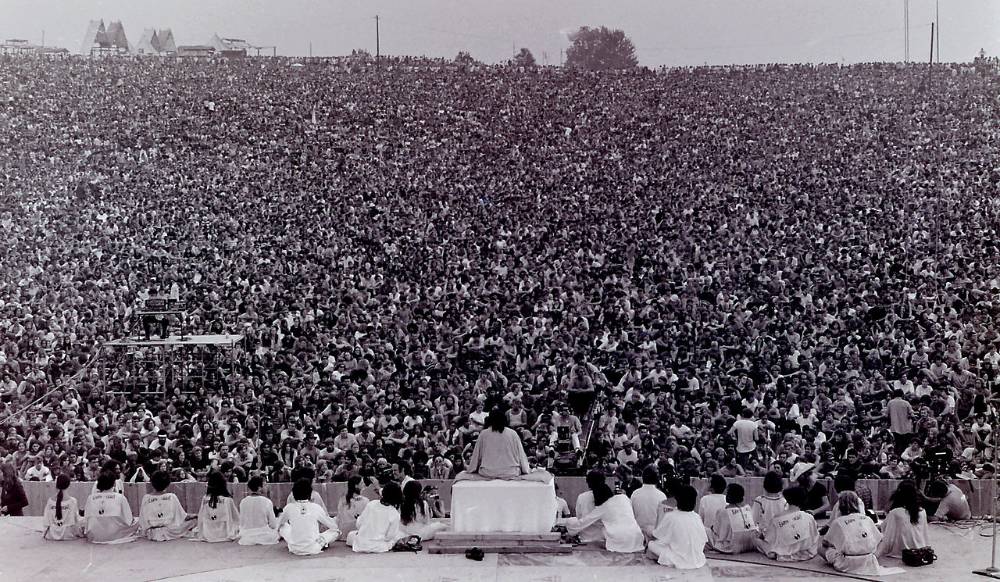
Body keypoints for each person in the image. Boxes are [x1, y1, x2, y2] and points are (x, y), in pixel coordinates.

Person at [457, 408, 551, 482]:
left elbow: (476, 457)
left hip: (488, 472)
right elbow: (521, 456)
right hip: (510, 472)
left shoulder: (484, 434)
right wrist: (526, 469)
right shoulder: (512, 433)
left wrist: (471, 469)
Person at [822, 492, 900, 575]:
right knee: (882, 539)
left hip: (846, 563)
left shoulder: (837, 522)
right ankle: (874, 558)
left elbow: (825, 543)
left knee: (821, 548)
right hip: (868, 560)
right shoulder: (867, 519)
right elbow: (880, 540)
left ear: (840, 506)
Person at [561, 482, 644, 553]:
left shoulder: (603, 507)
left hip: (619, 540)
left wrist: (568, 527)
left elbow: (583, 522)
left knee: (603, 529)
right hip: (637, 537)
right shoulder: (624, 497)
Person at [646, 485, 708, 569]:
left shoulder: (671, 516)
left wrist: (648, 532)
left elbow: (656, 535)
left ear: (677, 500)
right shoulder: (697, 517)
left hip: (678, 560)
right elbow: (703, 540)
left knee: (651, 544)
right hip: (698, 559)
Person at [754, 486, 819, 562]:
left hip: (783, 552)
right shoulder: (809, 517)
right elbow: (815, 536)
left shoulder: (777, 519)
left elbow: (769, 539)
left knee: (755, 538)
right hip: (806, 551)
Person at [277, 478, 340, 555]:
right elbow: (333, 526)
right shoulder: (316, 507)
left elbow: (280, 524)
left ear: (293, 493)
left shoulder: (289, 507)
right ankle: (321, 542)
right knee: (336, 531)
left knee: (282, 527)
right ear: (310, 493)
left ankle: (299, 541)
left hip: (294, 547)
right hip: (314, 547)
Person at [347, 481, 406, 553]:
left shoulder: (371, 504)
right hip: (379, 546)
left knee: (351, 534)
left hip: (360, 544)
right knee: (397, 536)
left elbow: (359, 524)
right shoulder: (395, 514)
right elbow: (389, 537)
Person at [138, 470, 196, 541]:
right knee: (194, 520)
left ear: (152, 483)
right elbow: (183, 516)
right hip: (170, 531)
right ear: (167, 484)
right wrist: (195, 515)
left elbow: (142, 521)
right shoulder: (172, 496)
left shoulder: (146, 498)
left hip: (152, 533)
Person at [83, 472, 139, 544]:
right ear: (114, 483)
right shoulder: (120, 497)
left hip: (95, 535)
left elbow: (87, 519)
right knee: (138, 520)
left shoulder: (90, 497)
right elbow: (129, 520)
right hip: (115, 534)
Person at [878, 480, 929, 558]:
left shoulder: (896, 512)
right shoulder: (922, 511)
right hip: (920, 548)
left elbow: (884, 531)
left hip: (900, 550)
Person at [709, 484, 758, 554]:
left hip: (732, 546)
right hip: (750, 544)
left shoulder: (723, 511)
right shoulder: (748, 508)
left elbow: (716, 531)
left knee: (707, 531)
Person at [193, 471, 240, 542]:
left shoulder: (205, 498)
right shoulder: (228, 500)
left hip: (208, 532)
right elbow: (236, 518)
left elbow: (201, 517)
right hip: (224, 532)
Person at [238, 475, 280, 545]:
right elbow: (273, 525)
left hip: (246, 536)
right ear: (259, 488)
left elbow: (242, 523)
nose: (267, 487)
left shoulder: (243, 501)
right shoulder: (267, 501)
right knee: (282, 524)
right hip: (264, 536)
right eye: (265, 485)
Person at [42, 474, 83, 541]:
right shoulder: (72, 501)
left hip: (51, 534)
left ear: (56, 485)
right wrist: (80, 533)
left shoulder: (50, 501)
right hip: (68, 534)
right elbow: (76, 520)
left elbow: (46, 520)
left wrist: (44, 533)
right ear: (68, 485)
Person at [630, 467, 666, 540]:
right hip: (654, 534)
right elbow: (663, 520)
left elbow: (631, 515)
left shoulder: (635, 493)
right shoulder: (661, 496)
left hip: (637, 532)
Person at [575, 470, 608, 543]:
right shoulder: (609, 497)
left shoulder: (582, 497)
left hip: (585, 538)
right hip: (603, 538)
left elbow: (579, 517)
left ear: (588, 483)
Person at [751, 471, 788, 536]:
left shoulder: (759, 501)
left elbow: (753, 521)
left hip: (764, 537)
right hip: (781, 537)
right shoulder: (784, 501)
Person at [335, 475, 370, 541]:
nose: (364, 485)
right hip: (355, 531)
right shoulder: (365, 501)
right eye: (362, 483)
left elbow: (339, 517)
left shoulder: (342, 499)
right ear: (356, 486)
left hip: (344, 531)